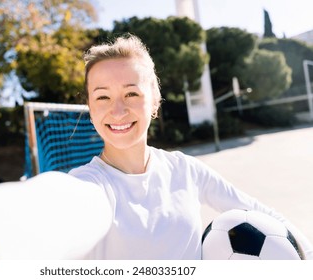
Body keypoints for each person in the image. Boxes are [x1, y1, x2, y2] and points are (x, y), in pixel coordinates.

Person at [69, 34, 313, 259]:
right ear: (90, 109)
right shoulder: (85, 186)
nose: (118, 110)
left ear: (154, 102)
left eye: (131, 94)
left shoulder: (184, 169)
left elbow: (262, 213)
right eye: (103, 97)